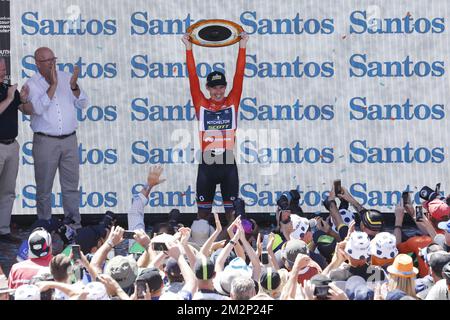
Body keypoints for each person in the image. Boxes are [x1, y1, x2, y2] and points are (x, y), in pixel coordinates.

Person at [181, 31, 249, 226]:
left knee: (232, 216)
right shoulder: (201, 103)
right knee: (202, 217)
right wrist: (188, 48)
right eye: (214, 88)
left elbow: (239, 74)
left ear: (226, 88)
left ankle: (235, 250)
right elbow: (192, 76)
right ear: (208, 89)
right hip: (207, 164)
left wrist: (242, 46)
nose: (218, 92)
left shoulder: (233, 101)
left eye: (221, 87)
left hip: (227, 163)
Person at [21, 47, 88, 229]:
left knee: (71, 187)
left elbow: (83, 103)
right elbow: (38, 109)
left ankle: (74, 226)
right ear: (37, 63)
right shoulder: (31, 84)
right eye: (47, 60)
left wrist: (74, 87)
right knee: (44, 188)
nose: (52, 63)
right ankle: (44, 225)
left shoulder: (67, 77)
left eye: (53, 59)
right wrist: (53, 86)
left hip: (69, 140)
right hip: (45, 141)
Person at [0, 57, 33, 243]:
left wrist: (24, 98)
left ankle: (3, 230)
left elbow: (28, 110)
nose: (3, 72)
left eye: (4, 69)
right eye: (0, 69)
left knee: (7, 191)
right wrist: (10, 98)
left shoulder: (9, 89)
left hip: (11, 145)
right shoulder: (9, 93)